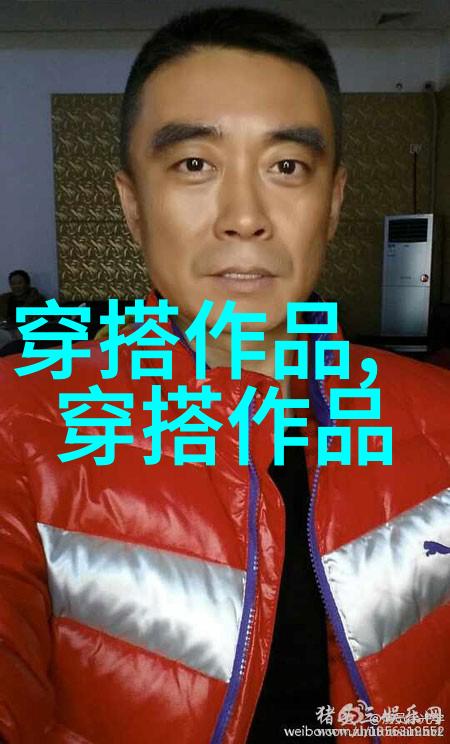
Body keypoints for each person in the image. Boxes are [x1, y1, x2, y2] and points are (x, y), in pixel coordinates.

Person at [0, 7, 449, 744]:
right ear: (133, 205)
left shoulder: (440, 416)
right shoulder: (19, 426)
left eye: (286, 167)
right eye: (194, 165)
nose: (244, 217)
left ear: (333, 202)